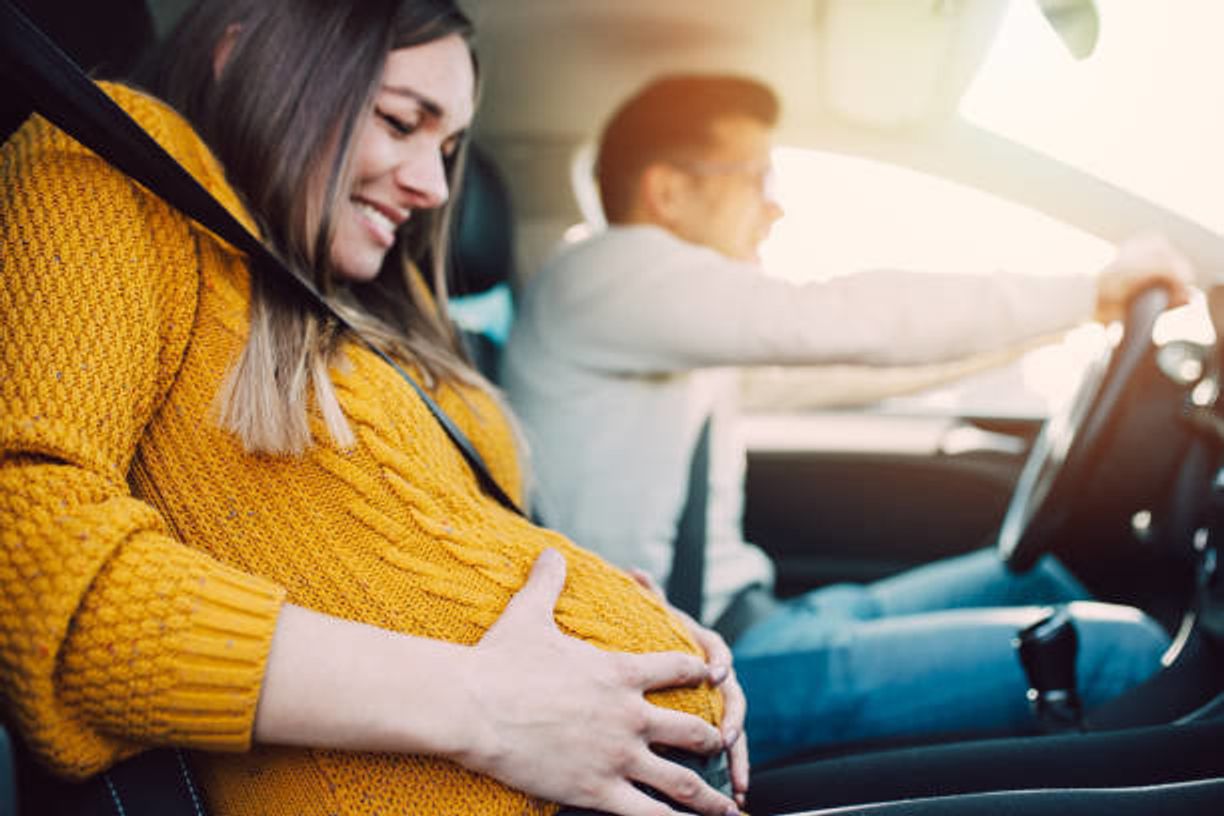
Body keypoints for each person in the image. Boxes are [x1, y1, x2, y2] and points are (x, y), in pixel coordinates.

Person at [0, 4, 751, 815]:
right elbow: (29, 558)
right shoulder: (115, 162)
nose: (434, 187)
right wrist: (481, 704)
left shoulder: (379, 299)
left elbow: (440, 545)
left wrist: (639, 617)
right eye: (401, 122)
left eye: (449, 147)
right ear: (244, 60)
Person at [501, 74, 1192, 764]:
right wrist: (1085, 290)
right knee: (1115, 651)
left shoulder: (659, 322)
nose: (775, 209)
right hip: (694, 677)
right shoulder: (604, 277)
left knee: (1034, 577)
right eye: (755, 177)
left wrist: (1072, 320)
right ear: (669, 191)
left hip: (752, 624)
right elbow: (836, 319)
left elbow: (857, 360)